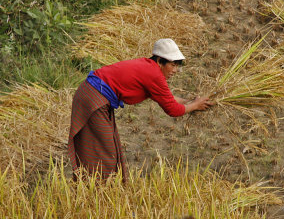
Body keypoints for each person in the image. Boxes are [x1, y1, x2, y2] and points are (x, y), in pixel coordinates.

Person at [68, 38, 212, 180]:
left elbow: (168, 99)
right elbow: (173, 110)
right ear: (160, 61)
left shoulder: (149, 68)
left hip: (92, 95)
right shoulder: (153, 74)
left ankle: (100, 186)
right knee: (104, 151)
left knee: (106, 146)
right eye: (172, 65)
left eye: (177, 66)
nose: (175, 70)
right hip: (93, 99)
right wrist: (195, 106)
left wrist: (191, 102)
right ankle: (97, 189)